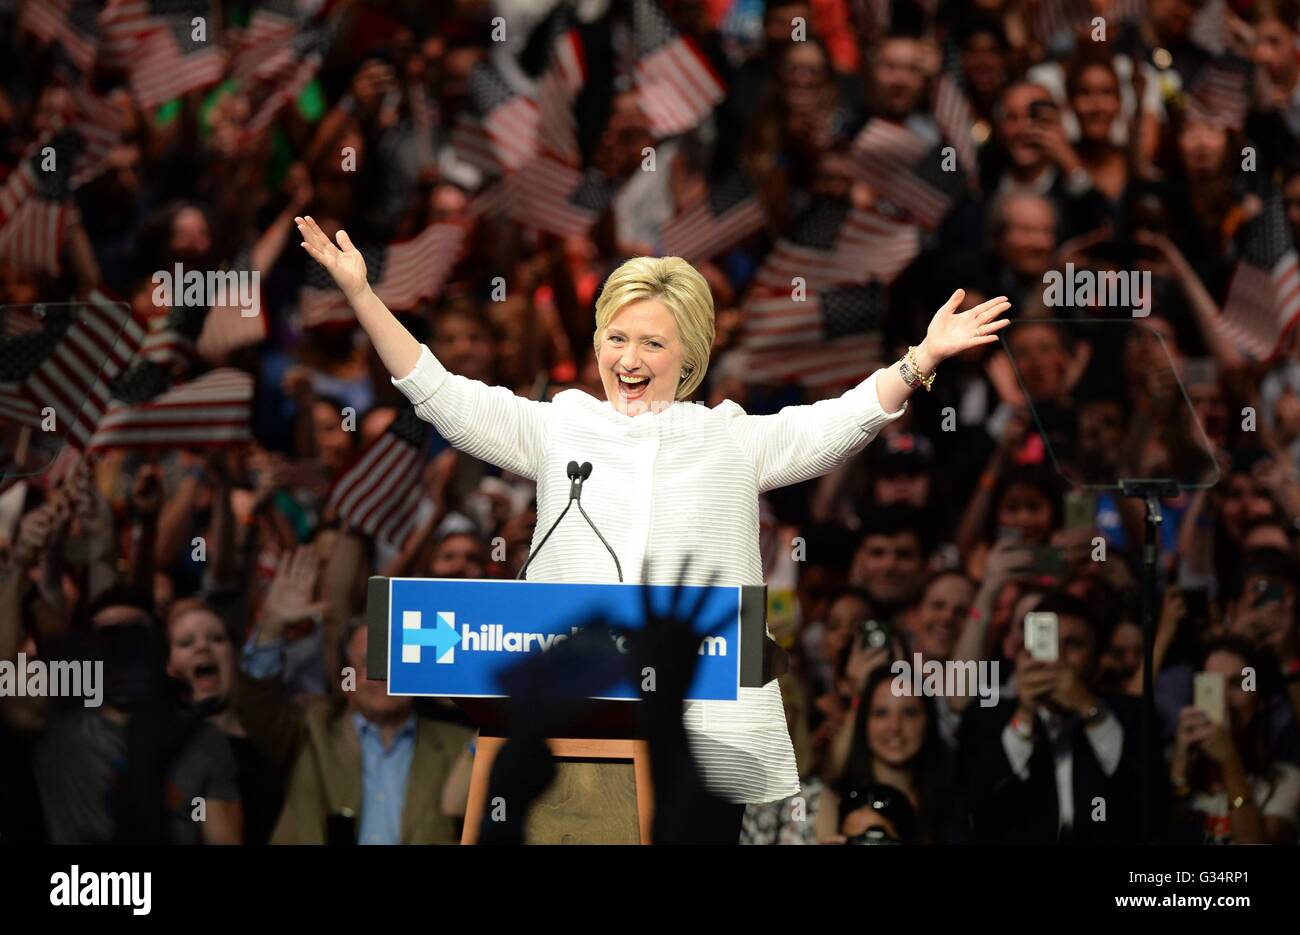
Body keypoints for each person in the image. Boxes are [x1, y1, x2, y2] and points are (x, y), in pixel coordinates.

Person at [296, 215, 1011, 840]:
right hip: (575, 729)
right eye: (617, 337)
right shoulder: (562, 424)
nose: (628, 360)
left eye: (653, 344)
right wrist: (362, 292)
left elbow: (838, 422)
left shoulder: (731, 438)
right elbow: (442, 396)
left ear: (691, 358)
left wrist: (921, 360)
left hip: (698, 741)